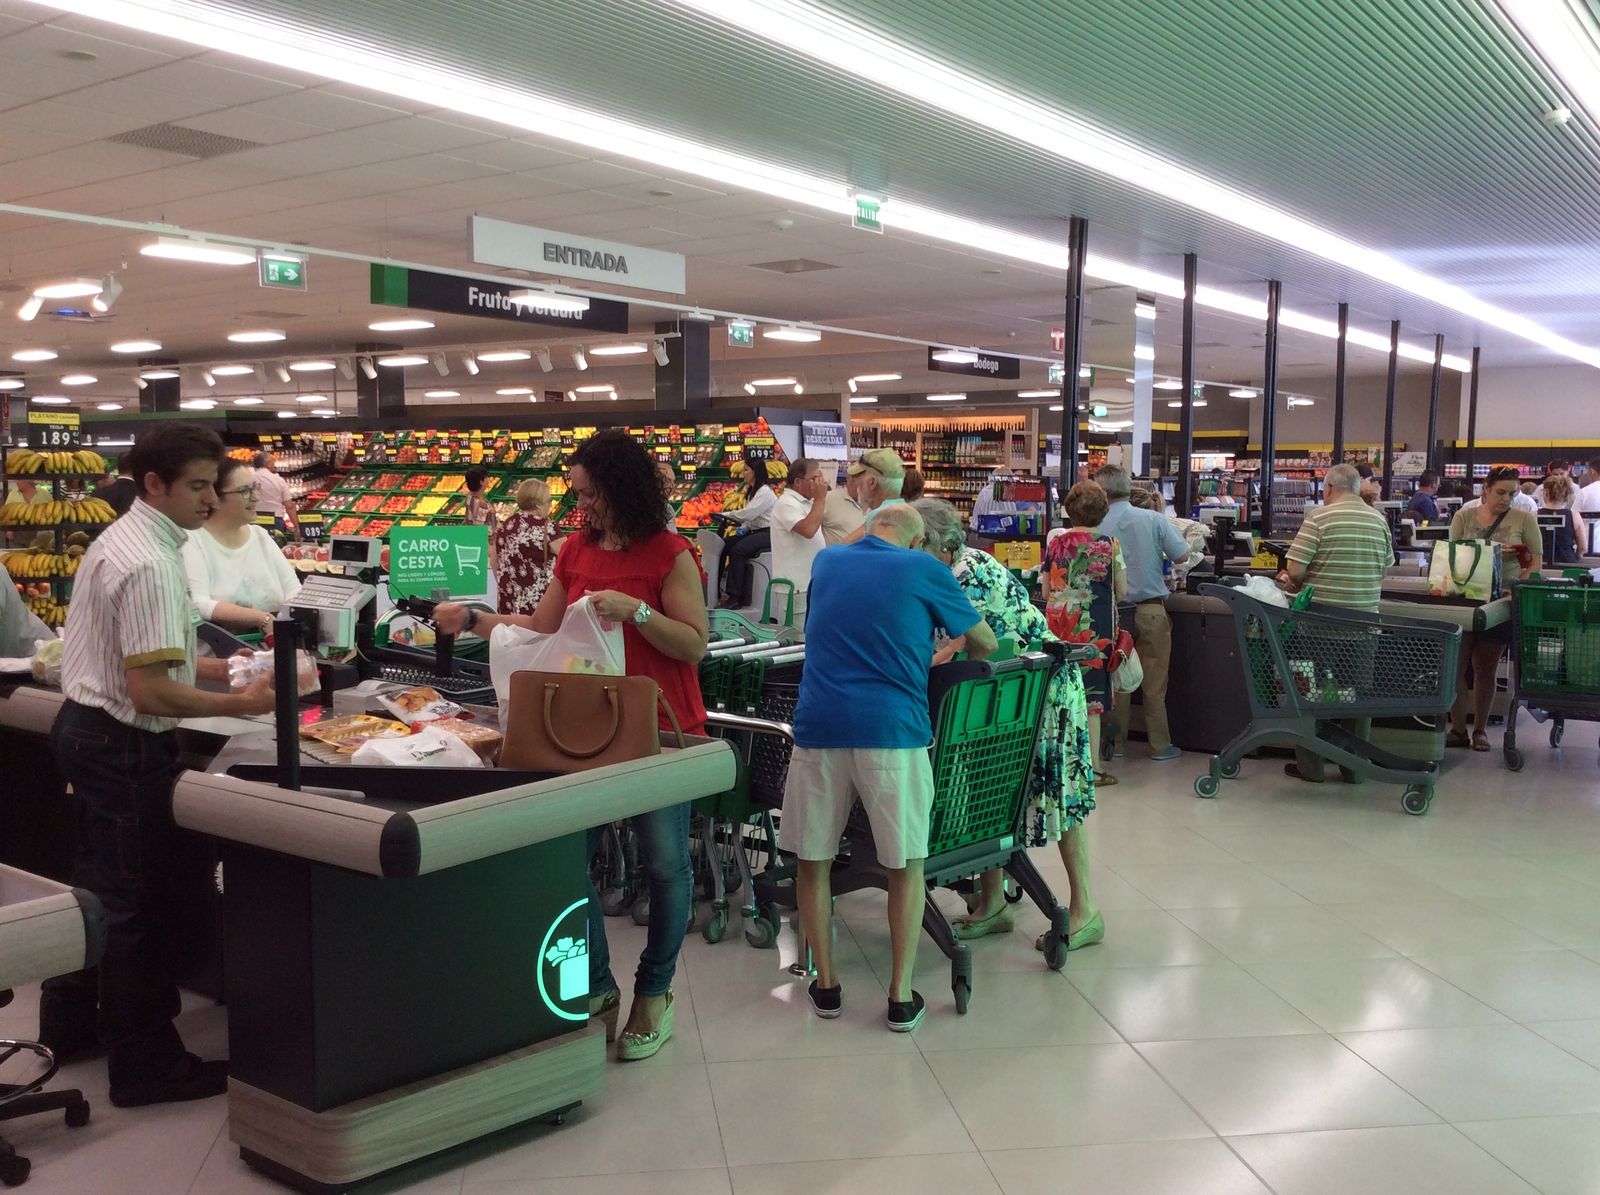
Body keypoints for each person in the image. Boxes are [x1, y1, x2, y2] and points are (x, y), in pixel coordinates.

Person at [433, 430, 706, 1061]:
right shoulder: (575, 550)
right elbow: (540, 628)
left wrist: (635, 613)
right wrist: (474, 619)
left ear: (621, 489)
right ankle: (601, 986)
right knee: (566, 861)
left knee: (666, 866)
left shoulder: (671, 553)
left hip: (662, 731)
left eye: (590, 494)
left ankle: (655, 993)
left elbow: (694, 644)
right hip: (585, 731)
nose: (582, 508)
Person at [39, 423, 277, 1107]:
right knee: (131, 907)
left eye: (214, 485)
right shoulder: (147, 560)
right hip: (120, 744)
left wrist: (221, 663)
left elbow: (148, 653)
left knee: (95, 892)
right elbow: (150, 690)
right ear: (154, 485)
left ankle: (71, 1026)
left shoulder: (127, 539)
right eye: (198, 486)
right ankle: (144, 1065)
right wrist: (244, 699)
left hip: (88, 734)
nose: (211, 499)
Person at [783, 504, 996, 1033]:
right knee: (905, 865)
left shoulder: (828, 562)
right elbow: (986, 641)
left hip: (821, 726)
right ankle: (900, 996)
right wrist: (941, 639)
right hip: (893, 732)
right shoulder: (926, 568)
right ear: (920, 539)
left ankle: (826, 985)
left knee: (814, 859)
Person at [913, 499, 1100, 952]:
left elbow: (962, 644)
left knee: (1057, 793)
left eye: (916, 543)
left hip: (1041, 689)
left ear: (941, 543)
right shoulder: (951, 567)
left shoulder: (963, 574)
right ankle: (993, 901)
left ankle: (1085, 910)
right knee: (988, 791)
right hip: (999, 692)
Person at [1276, 463, 1395, 782]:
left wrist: (1291, 580)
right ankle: (1354, 768)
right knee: (1358, 697)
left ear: (1328, 488)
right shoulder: (1378, 520)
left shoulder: (1319, 517)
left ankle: (1311, 767)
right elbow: (1385, 569)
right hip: (1365, 625)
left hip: (1320, 625)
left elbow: (1297, 570)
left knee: (1312, 695)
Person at [1094, 464, 1190, 761]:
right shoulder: (1153, 519)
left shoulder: (1095, 524)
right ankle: (1160, 746)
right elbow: (1183, 554)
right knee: (1154, 682)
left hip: (1113, 613)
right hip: (1151, 611)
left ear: (1103, 491)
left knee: (1119, 680)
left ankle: (1117, 745)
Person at [1447, 465, 1542, 752]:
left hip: (1501, 604)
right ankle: (1458, 729)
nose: (1506, 498)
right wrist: (1494, 551)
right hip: (1465, 600)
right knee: (1457, 668)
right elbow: (1453, 556)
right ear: (1485, 490)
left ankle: (1480, 731)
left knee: (1485, 668)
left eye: (1512, 493)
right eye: (1500, 492)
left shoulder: (1524, 519)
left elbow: (1536, 563)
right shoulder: (1463, 516)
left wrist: (1518, 586)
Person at [1044, 480, 1127, 787]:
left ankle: (1058, 762)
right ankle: (1090, 770)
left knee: (1060, 692)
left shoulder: (1056, 544)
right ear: (1103, 511)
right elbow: (1123, 589)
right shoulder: (1109, 544)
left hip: (1060, 625)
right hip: (1095, 629)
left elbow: (1045, 587)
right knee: (1091, 699)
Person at [181, 458, 301, 634]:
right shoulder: (192, 541)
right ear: (214, 498)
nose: (256, 497)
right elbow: (198, 603)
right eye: (245, 491)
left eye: (255, 488)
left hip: (273, 648)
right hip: (223, 655)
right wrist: (262, 618)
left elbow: (294, 590)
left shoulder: (260, 536)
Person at [768, 456, 827, 617]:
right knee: (798, 638)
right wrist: (820, 499)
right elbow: (808, 530)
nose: (820, 482)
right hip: (796, 587)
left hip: (811, 583)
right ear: (798, 482)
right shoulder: (787, 503)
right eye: (815, 478)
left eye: (821, 477)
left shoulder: (808, 503)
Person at [493, 477, 556, 615]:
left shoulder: (506, 525)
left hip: (508, 603)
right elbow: (570, 559)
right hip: (538, 606)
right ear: (538, 504)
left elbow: (494, 562)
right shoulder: (547, 528)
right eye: (549, 501)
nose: (550, 505)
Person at [717, 459, 776, 607]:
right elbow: (752, 517)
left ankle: (734, 596)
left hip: (768, 533)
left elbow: (749, 513)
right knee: (723, 544)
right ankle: (717, 587)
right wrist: (745, 527)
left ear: (755, 472)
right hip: (756, 531)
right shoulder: (752, 492)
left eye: (746, 470)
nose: (743, 473)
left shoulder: (765, 492)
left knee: (738, 550)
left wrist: (728, 514)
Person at [840, 448, 906, 543]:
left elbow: (845, 546)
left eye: (858, 477)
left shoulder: (877, 519)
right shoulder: (908, 513)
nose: (856, 484)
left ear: (872, 482)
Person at [1538, 473, 1582, 565]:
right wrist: (1578, 556)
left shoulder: (1533, 515)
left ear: (1545, 493)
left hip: (1540, 563)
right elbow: (1583, 547)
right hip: (1567, 564)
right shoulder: (1574, 515)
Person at [251, 451, 296, 536]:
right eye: (272, 461)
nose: (274, 463)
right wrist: (297, 527)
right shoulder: (278, 480)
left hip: (255, 520)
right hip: (275, 520)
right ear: (266, 464)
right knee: (276, 546)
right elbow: (289, 506)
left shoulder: (249, 478)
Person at [820, 463, 865, 545]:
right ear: (848, 479)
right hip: (837, 556)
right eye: (855, 479)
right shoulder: (827, 499)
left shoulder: (876, 503)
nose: (859, 485)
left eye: (862, 480)